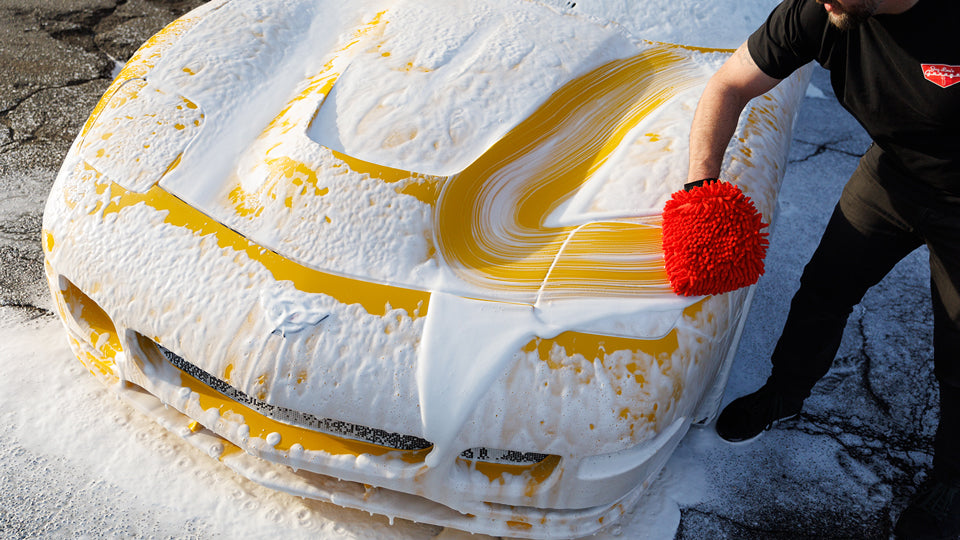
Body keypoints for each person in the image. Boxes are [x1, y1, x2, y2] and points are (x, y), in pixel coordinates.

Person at [686, 0, 960, 537]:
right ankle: (785, 393)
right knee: (822, 293)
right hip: (891, 176)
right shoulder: (825, 10)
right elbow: (728, 86)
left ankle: (952, 479)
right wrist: (700, 192)